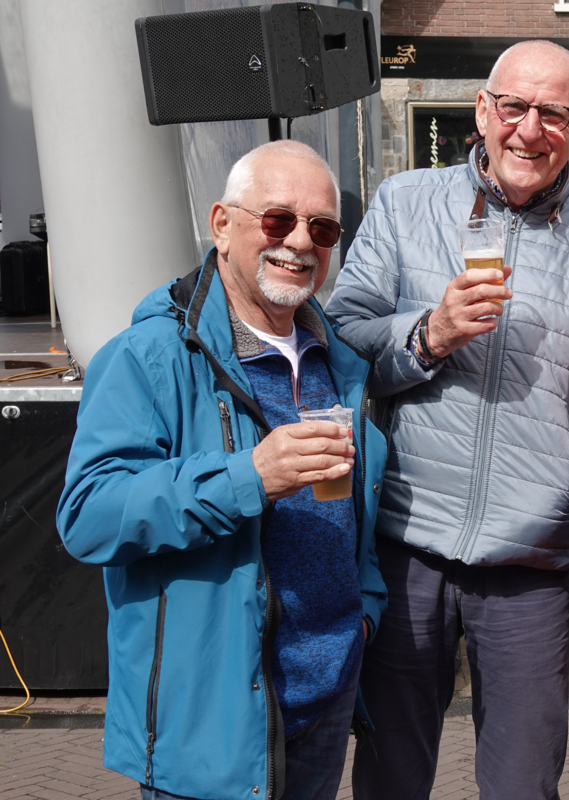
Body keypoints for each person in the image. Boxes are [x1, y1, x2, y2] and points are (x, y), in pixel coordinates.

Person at [325, 40, 569, 800]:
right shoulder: (405, 202)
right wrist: (428, 334)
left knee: (523, 782)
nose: (529, 130)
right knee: (390, 776)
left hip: (529, 560)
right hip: (406, 541)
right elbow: (342, 340)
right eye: (513, 107)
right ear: (482, 111)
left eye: (554, 114)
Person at [56, 140, 388, 800]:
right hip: (212, 723)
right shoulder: (149, 355)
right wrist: (248, 478)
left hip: (324, 704)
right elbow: (88, 516)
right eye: (278, 219)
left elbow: (359, 510)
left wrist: (363, 614)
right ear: (222, 224)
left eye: (322, 228)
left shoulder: (338, 360)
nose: (301, 241)